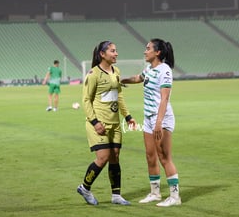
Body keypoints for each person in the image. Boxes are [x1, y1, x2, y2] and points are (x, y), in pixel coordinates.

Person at [121, 38, 181, 207]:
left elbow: (164, 98)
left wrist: (159, 123)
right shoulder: (149, 69)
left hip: (161, 118)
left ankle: (175, 197)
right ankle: (155, 193)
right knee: (150, 156)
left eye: (148, 48)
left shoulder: (165, 70)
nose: (144, 51)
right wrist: (120, 80)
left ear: (158, 52)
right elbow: (137, 78)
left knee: (164, 157)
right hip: (148, 118)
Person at [77, 41, 136, 206]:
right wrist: (95, 122)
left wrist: (128, 116)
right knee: (102, 158)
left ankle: (116, 195)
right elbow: (86, 100)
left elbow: (119, 96)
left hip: (115, 124)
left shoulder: (116, 71)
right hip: (98, 124)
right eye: (112, 51)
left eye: (116, 51)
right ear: (102, 54)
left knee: (115, 157)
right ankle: (85, 187)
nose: (116, 54)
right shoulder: (93, 74)